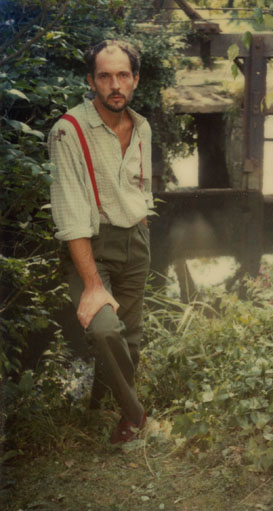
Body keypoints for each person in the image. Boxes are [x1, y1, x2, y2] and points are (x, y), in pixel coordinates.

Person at [48, 39, 153, 444]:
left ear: (135, 80)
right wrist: (92, 284)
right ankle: (137, 415)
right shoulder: (67, 132)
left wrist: (143, 223)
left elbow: (140, 185)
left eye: (123, 75)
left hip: (136, 239)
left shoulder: (141, 126)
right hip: (89, 243)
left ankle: (103, 405)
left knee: (131, 335)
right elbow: (71, 215)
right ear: (90, 80)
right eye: (105, 76)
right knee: (105, 329)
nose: (115, 84)